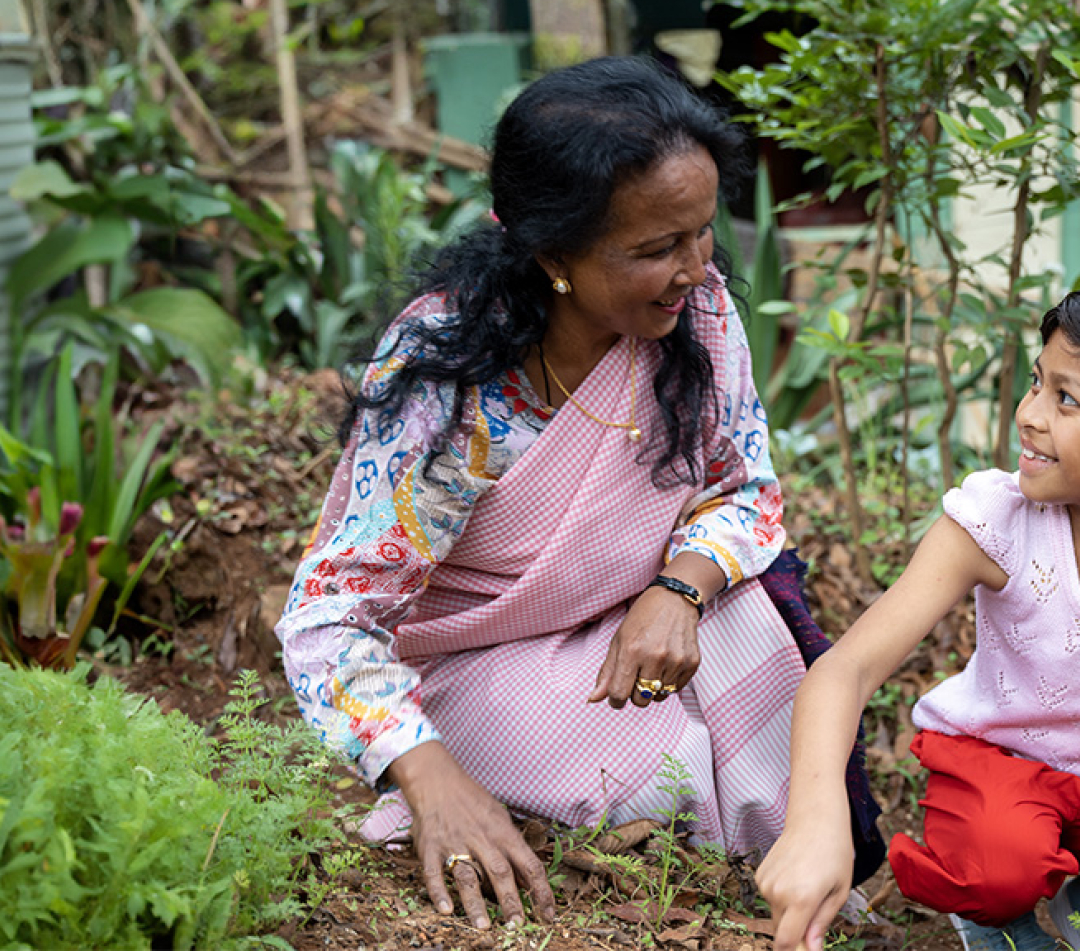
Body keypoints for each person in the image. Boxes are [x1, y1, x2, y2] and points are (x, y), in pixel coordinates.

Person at [276, 55, 882, 931]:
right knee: (649, 768)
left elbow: (746, 489)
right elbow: (329, 619)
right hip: (475, 658)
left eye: (703, 232)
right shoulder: (446, 373)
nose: (694, 268)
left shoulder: (698, 318)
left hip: (630, 614)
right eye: (654, 249)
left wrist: (681, 588)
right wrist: (425, 770)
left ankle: (802, 898)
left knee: (758, 648)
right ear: (552, 252)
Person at [757, 292, 1080, 951]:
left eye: (1066, 399)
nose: (1029, 415)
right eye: (1037, 385)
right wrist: (817, 821)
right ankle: (983, 900)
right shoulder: (1000, 523)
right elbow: (845, 669)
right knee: (999, 865)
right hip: (1005, 765)